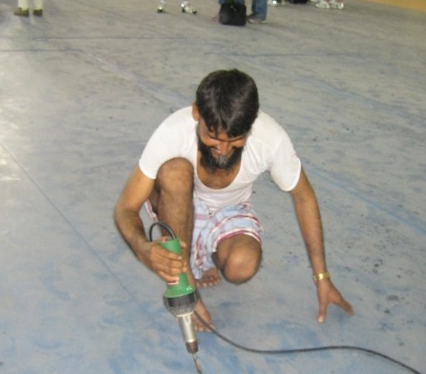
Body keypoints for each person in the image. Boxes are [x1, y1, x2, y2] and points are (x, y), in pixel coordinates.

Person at [114, 69, 353, 331]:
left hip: (229, 209)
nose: (223, 150)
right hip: (177, 207)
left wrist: (322, 277)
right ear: (196, 113)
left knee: (242, 265)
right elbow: (126, 207)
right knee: (174, 172)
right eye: (213, 138)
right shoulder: (172, 132)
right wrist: (143, 249)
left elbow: (303, 197)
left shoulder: (270, 139)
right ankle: (186, 282)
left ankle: (207, 257)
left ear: (251, 124)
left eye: (236, 140)